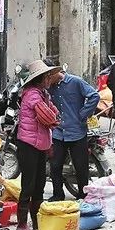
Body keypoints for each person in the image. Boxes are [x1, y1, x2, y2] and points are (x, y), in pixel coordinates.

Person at [14, 60, 62, 230]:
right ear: (40, 78)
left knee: (40, 184)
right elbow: (49, 117)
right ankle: (21, 224)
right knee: (28, 184)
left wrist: (54, 118)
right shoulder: (32, 95)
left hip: (40, 144)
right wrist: (54, 119)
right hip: (28, 145)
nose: (50, 79)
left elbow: (54, 113)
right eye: (47, 77)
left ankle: (36, 221)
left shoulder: (43, 94)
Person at [48, 67, 100, 201]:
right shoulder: (50, 87)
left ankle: (83, 195)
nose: (47, 80)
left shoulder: (76, 81)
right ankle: (58, 194)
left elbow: (94, 96)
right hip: (58, 132)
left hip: (77, 131)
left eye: (49, 76)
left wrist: (83, 114)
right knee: (55, 165)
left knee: (81, 166)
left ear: (55, 73)